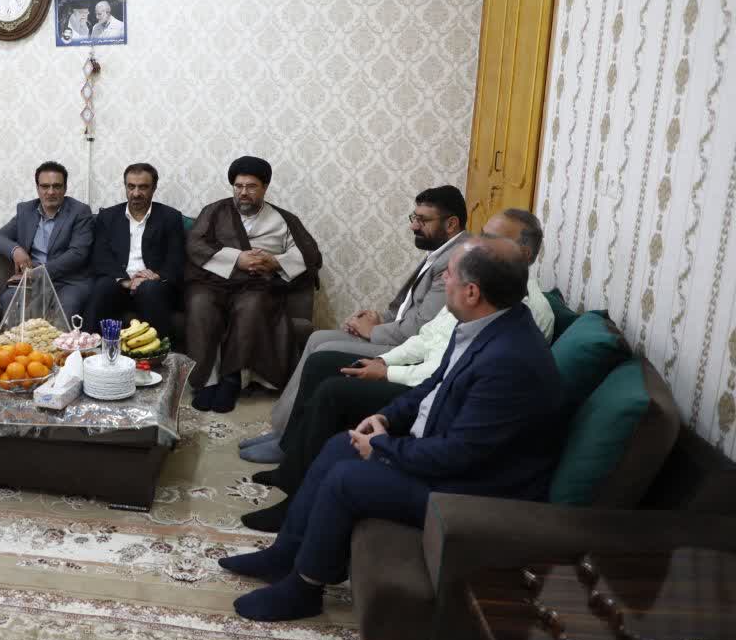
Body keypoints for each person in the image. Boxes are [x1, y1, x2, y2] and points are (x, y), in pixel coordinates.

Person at [218, 236, 565, 621]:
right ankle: (284, 555)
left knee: (347, 479)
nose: (443, 280)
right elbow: (433, 385)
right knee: (340, 446)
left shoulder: (509, 361)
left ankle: (304, 589)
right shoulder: (483, 325)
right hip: (453, 460)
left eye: (450, 275)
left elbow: (462, 455)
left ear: (472, 292)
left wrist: (384, 448)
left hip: (477, 494)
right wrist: (387, 418)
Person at [239, 209, 556, 531]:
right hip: (424, 383)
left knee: (334, 391)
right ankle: (291, 457)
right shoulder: (479, 302)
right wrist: (387, 369)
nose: (478, 241)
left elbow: (457, 420)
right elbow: (430, 344)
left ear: (523, 252)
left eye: (490, 238)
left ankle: (295, 485)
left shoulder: (514, 317)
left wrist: (387, 385)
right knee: (323, 360)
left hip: (449, 451)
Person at [241, 185, 468, 461]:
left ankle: (291, 440)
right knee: (317, 338)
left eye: (422, 220)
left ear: (451, 224)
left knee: (324, 351)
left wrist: (373, 331)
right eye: (414, 217)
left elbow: (419, 328)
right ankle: (285, 430)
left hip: (410, 351)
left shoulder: (455, 260)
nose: (413, 226)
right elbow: (410, 310)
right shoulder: (443, 250)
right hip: (400, 335)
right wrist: (376, 319)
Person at [183, 156, 322, 413]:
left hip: (256, 285)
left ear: (265, 187)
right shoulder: (215, 211)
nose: (243, 192)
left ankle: (232, 379)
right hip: (214, 281)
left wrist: (275, 262)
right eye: (238, 186)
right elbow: (195, 244)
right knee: (199, 303)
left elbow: (309, 254)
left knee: (252, 305)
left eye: (251, 186)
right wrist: (237, 258)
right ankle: (205, 381)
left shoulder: (283, 219)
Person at [82, 163, 186, 337]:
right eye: (131, 187)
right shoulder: (108, 217)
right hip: (119, 284)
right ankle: (87, 345)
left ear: (154, 188)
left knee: (150, 289)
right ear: (125, 186)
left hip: (154, 285)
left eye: (143, 187)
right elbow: (100, 257)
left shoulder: (170, 217)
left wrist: (155, 276)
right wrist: (126, 281)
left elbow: (176, 260)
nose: (136, 193)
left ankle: (158, 350)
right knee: (103, 286)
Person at [0, 161, 95, 319]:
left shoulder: (80, 212)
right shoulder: (26, 211)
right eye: (45, 186)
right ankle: (20, 337)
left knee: (66, 307)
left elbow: (78, 254)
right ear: (37, 188)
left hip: (68, 282)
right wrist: (16, 251)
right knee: (10, 298)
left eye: (57, 186)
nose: (50, 192)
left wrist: (37, 273)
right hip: (33, 283)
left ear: (65, 188)